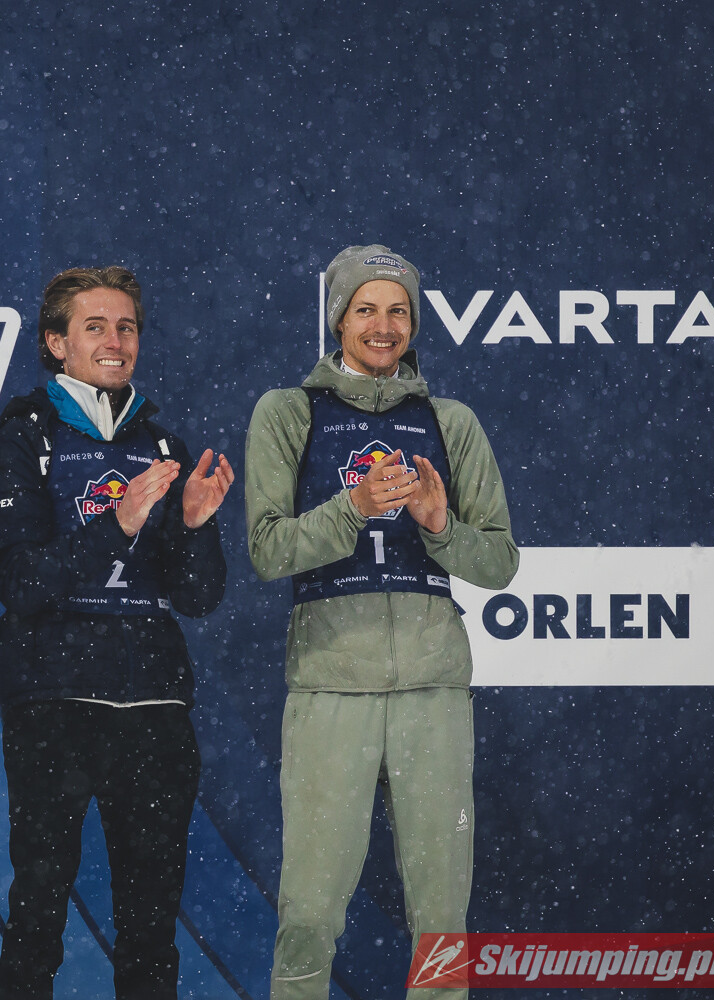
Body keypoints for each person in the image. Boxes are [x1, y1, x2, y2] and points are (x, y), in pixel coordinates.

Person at [244, 245, 519, 1000]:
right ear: (338, 319)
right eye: (365, 308)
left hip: (433, 689)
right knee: (309, 911)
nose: (383, 325)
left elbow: (499, 562)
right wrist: (353, 508)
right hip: (331, 687)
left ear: (415, 323)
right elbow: (268, 549)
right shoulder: (289, 412)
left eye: (399, 310)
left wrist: (439, 526)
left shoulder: (450, 422)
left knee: (442, 917)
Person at [0, 266, 234, 1000]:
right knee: (38, 912)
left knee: (151, 926)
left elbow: (199, 596)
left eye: (126, 327)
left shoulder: (163, 441)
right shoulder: (22, 438)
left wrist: (194, 526)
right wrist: (115, 525)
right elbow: (22, 585)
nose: (115, 342)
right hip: (54, 705)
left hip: (154, 707)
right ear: (56, 343)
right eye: (95, 327)